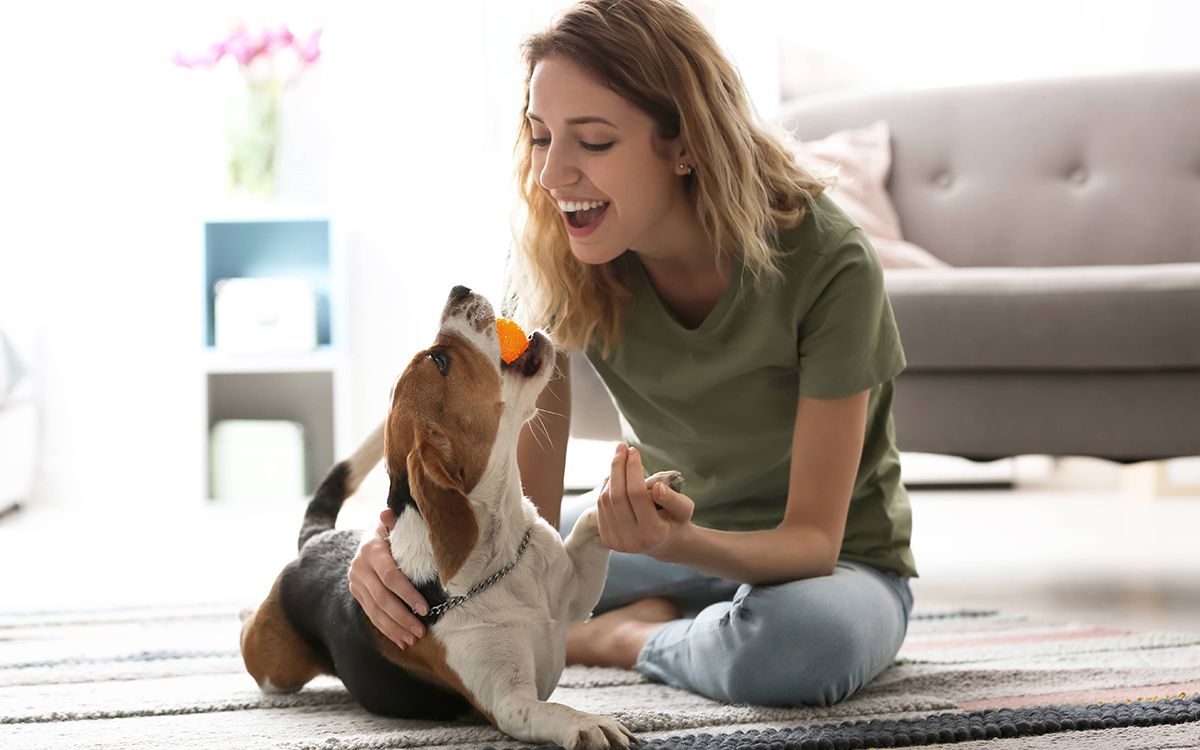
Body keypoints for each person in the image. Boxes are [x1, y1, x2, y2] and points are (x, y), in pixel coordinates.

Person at [349, 0, 916, 708]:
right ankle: (695, 623)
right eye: (540, 136)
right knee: (431, 584)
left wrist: (677, 546)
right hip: (648, 533)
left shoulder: (830, 264)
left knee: (801, 651)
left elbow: (812, 542)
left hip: (831, 570)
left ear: (683, 143)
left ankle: (626, 641)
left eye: (593, 142)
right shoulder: (555, 258)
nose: (554, 174)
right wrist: (394, 555)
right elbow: (524, 510)